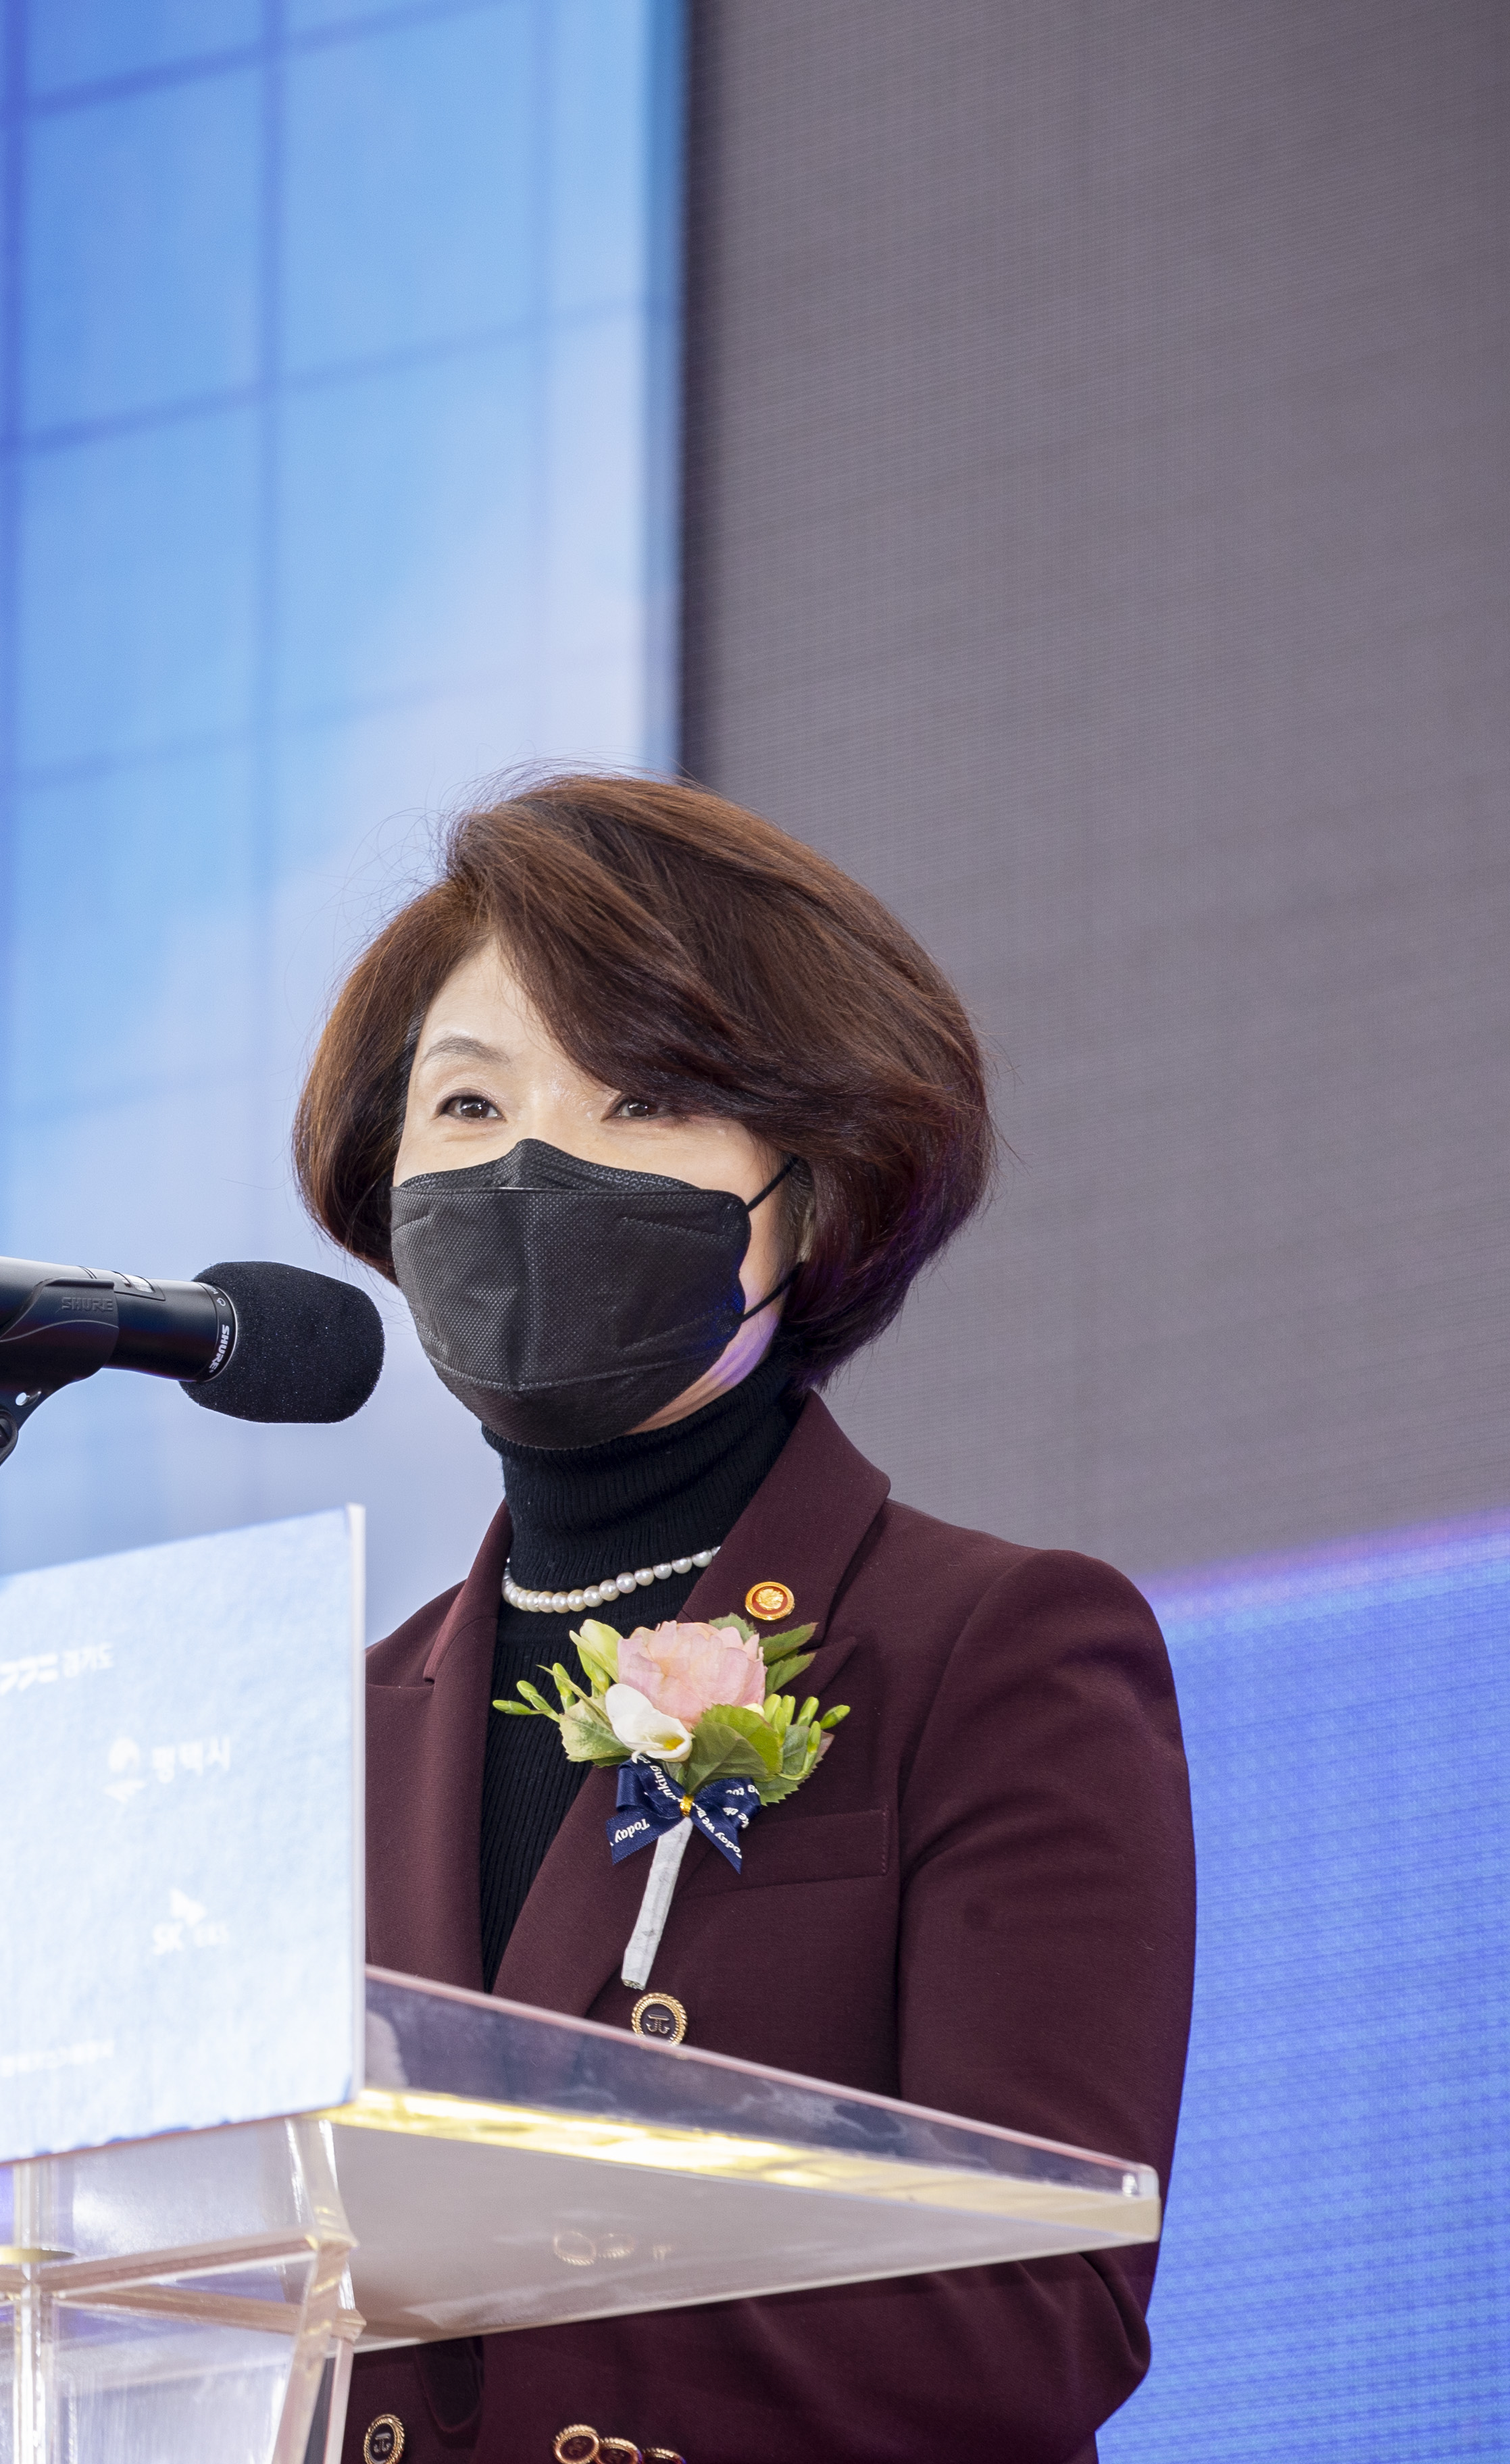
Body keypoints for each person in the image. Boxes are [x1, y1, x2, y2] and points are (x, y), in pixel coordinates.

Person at [297, 774, 1194, 2464]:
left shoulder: (996, 1652)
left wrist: (510, 2226)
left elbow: (1040, 2313)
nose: (532, 1168)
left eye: (639, 1100)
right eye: (470, 1105)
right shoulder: (319, 1738)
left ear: (819, 1192)